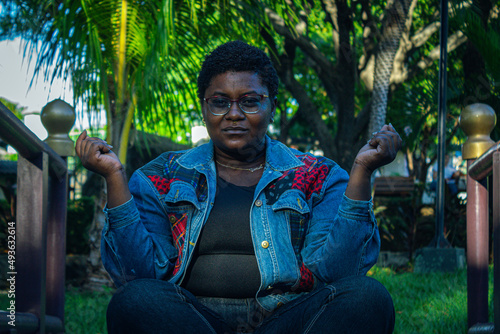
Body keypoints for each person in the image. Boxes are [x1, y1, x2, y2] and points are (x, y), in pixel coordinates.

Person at [76, 40, 401, 333]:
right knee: (135, 300)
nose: (233, 114)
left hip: (285, 319)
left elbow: (336, 273)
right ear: (204, 109)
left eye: (249, 102)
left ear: (272, 105)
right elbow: (137, 274)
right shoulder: (161, 176)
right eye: (219, 102)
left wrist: (362, 170)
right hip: (194, 320)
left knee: (367, 297)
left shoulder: (318, 175)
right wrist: (114, 177)